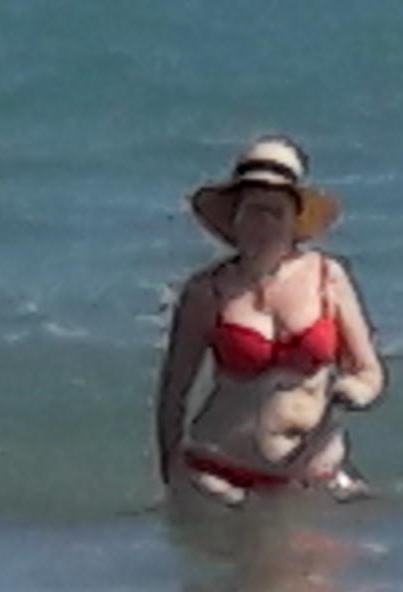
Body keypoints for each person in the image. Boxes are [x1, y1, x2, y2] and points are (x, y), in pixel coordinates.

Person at [157, 136, 386, 502]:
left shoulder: (327, 277)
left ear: (294, 220)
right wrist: (172, 475)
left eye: (274, 213)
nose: (262, 225)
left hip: (314, 475)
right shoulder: (206, 291)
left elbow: (369, 372)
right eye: (252, 212)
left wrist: (354, 392)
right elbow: (174, 392)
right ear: (234, 218)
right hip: (222, 475)